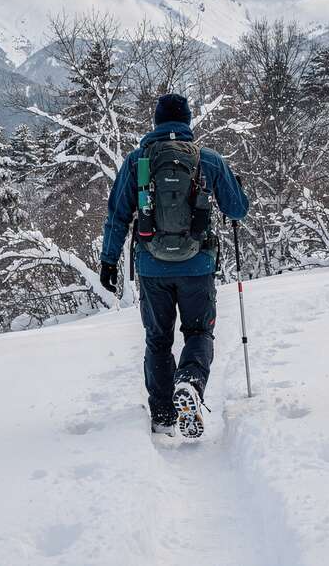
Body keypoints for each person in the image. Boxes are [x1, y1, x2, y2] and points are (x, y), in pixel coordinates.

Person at [99, 93, 248, 439]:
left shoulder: (138, 161)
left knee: (157, 340)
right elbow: (237, 209)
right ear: (187, 122)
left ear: (156, 122)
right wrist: (237, 187)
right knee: (198, 333)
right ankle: (191, 384)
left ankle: (164, 415)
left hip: (152, 268)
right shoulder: (208, 160)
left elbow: (117, 215)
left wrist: (109, 261)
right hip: (197, 267)